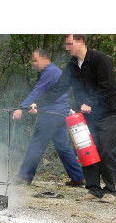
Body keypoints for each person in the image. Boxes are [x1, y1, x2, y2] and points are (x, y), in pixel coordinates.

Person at [30, 35, 116, 203]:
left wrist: (90, 102)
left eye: (70, 44)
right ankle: (94, 189)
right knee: (86, 149)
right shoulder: (72, 65)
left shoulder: (101, 60)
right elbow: (58, 89)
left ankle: (110, 190)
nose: (67, 48)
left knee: (105, 150)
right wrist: (38, 103)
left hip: (110, 113)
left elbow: (107, 86)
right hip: (88, 115)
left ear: (81, 42)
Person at [13, 49, 85, 186]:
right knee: (62, 147)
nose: (33, 63)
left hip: (52, 115)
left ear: (45, 58)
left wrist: (21, 107)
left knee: (36, 144)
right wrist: (36, 106)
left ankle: (24, 177)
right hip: (60, 114)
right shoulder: (53, 71)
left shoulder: (50, 72)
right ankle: (78, 177)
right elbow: (43, 94)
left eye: (35, 60)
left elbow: (37, 91)